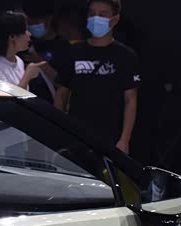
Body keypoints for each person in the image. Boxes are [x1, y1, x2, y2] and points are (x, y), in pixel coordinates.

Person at [54, 0, 140, 154]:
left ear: (115, 19)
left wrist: (124, 139)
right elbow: (61, 94)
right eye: (92, 14)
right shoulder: (74, 51)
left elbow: (130, 100)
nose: (96, 18)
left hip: (110, 137)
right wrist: (59, 128)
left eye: (102, 14)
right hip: (75, 134)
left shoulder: (126, 56)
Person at [0, 11, 45, 91]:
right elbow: (9, 97)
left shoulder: (19, 61)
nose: (29, 34)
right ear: (12, 36)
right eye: (25, 31)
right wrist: (27, 76)